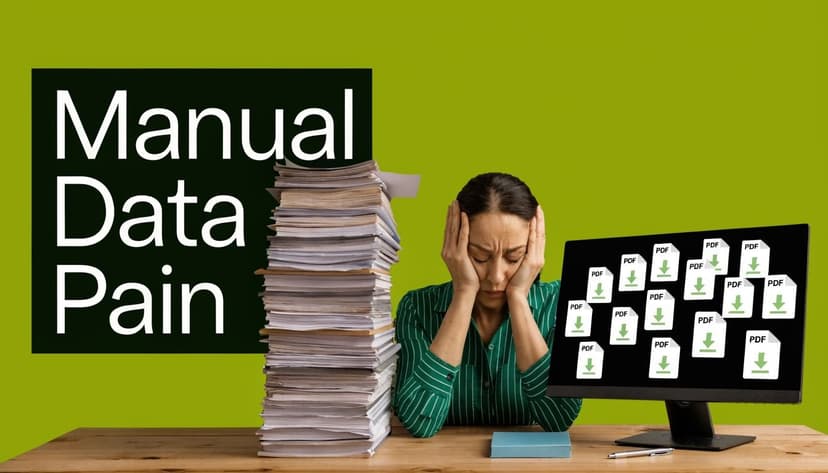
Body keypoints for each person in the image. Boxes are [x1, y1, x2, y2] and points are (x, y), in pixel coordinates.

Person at [392, 172, 582, 438]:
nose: (495, 277)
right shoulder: (417, 308)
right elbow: (418, 421)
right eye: (479, 257)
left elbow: (558, 418)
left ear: (533, 252)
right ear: (454, 247)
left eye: (514, 257)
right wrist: (464, 292)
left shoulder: (559, 304)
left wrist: (518, 298)